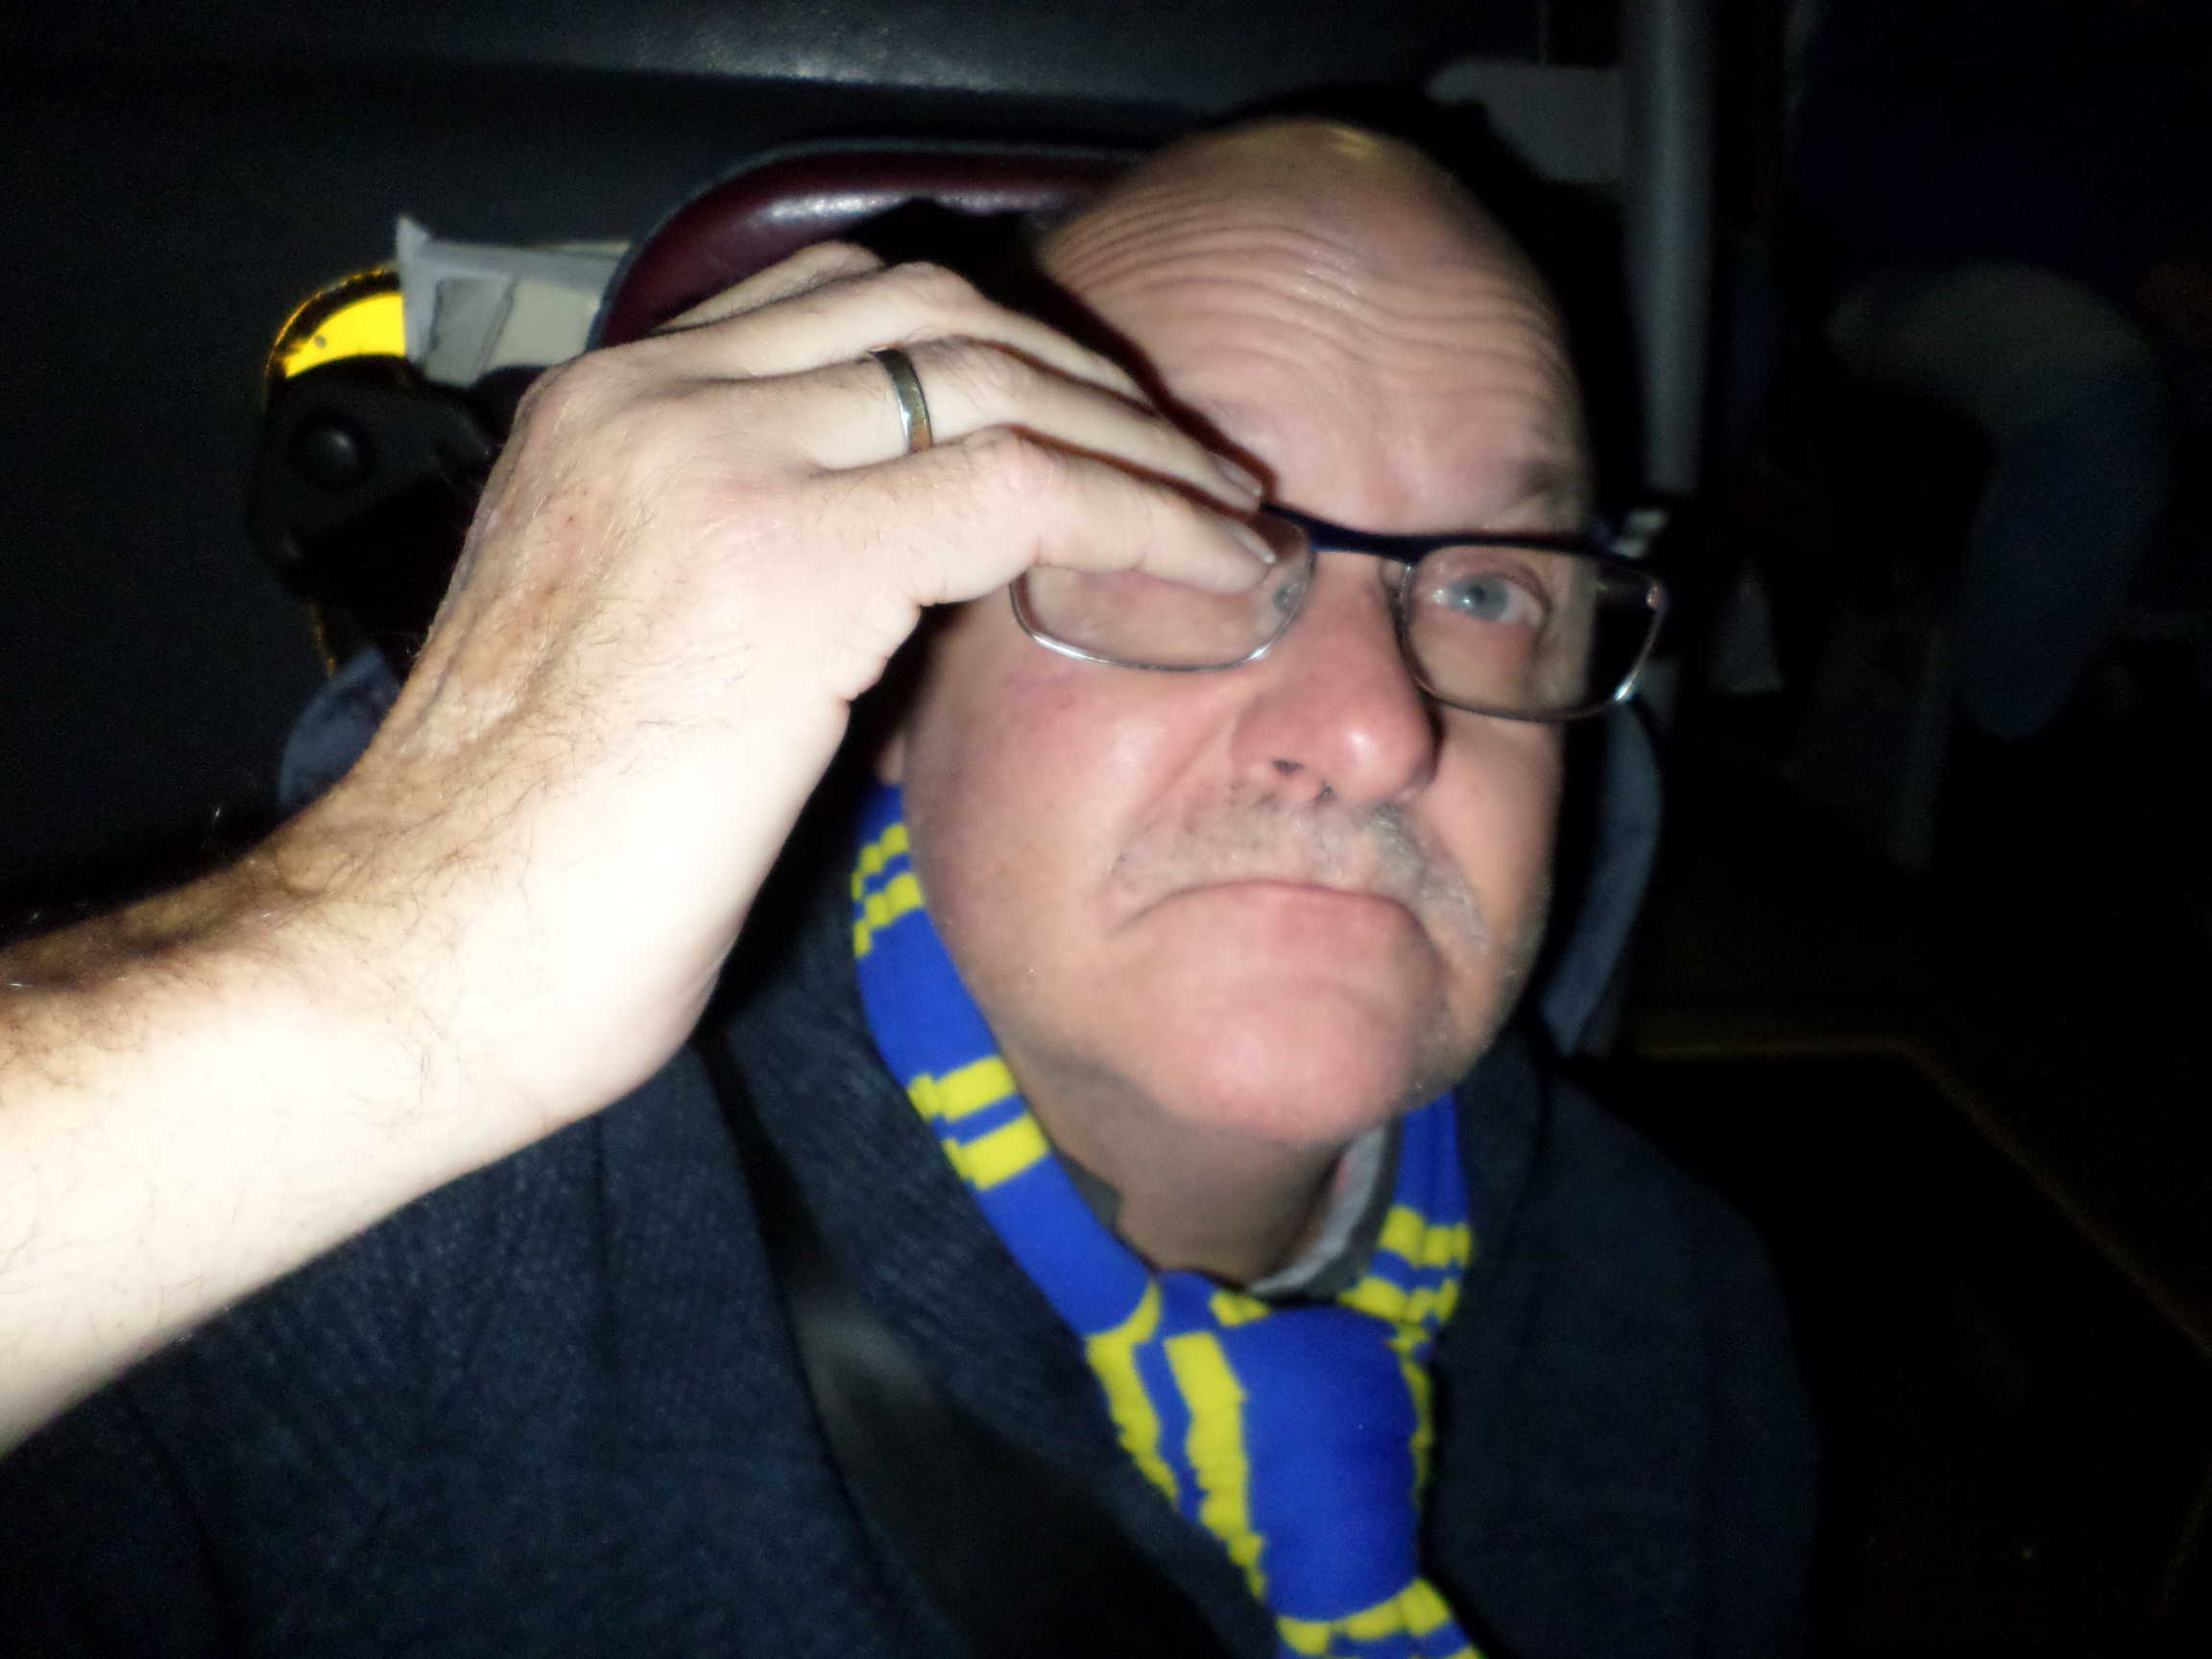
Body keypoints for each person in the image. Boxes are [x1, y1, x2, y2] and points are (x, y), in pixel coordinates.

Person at [0, 121, 1813, 1657]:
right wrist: (390, 957)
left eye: (1488, 588)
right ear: (888, 675)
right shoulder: (430, 1226)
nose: (1369, 731)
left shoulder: (1688, 1319)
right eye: (1181, 535)